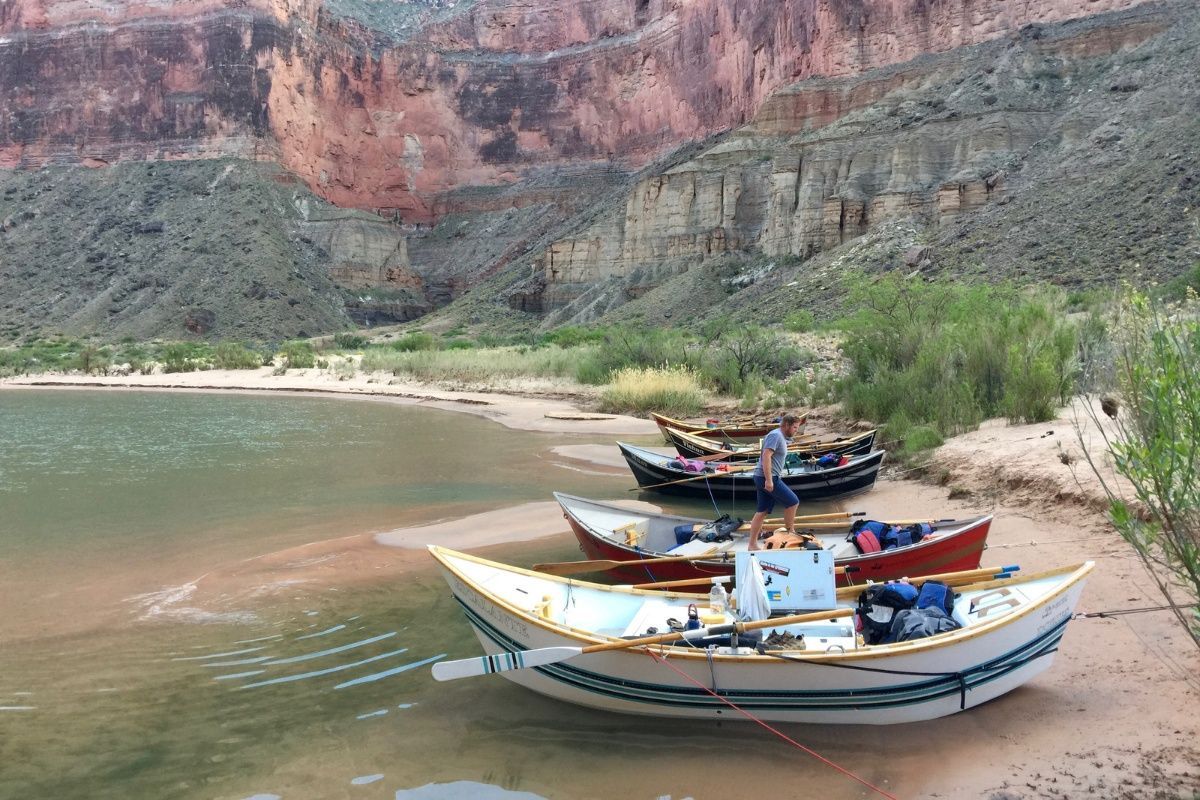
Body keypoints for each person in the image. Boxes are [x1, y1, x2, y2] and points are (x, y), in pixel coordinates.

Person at [747, 413, 801, 551]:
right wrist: (769, 480)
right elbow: (766, 456)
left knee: (762, 511)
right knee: (793, 502)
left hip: (763, 477)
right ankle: (791, 534)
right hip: (767, 477)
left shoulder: (780, 436)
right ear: (787, 425)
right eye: (795, 427)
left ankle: (752, 545)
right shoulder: (776, 435)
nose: (796, 430)